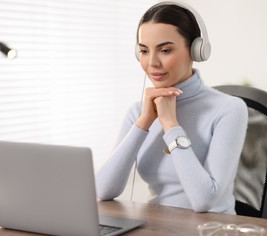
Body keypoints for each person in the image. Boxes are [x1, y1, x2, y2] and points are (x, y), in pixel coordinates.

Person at [95, 1, 248, 214]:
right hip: (156, 233)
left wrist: (170, 124)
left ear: (196, 50)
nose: (152, 63)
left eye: (165, 50)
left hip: (212, 235)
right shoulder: (139, 112)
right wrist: (143, 123)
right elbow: (103, 190)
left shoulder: (229, 110)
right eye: (144, 51)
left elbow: (204, 201)